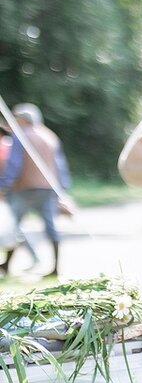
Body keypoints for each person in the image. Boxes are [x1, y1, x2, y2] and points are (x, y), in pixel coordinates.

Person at [0, 104, 72, 278]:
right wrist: (62, 188)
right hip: (47, 188)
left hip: (24, 188)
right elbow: (60, 165)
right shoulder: (50, 136)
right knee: (50, 226)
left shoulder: (21, 136)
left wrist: (4, 184)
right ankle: (56, 268)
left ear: (23, 119)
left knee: (13, 225)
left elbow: (14, 163)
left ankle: (7, 266)